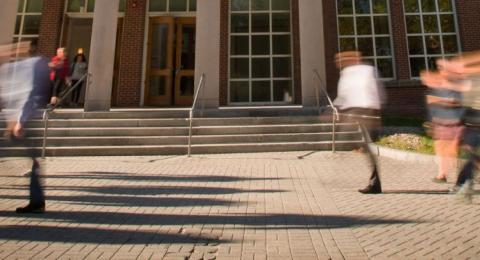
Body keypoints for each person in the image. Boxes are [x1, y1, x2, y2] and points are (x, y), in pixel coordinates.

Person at [0, 40, 50, 213]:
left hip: (24, 121)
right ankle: (37, 200)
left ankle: (37, 200)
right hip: (15, 121)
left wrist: (20, 120)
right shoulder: (9, 69)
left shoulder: (30, 66)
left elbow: (29, 93)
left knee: (32, 160)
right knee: (32, 161)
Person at [333, 51, 385, 194]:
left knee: (368, 146)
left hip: (366, 110)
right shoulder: (346, 73)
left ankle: (375, 183)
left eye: (342, 59)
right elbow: (343, 95)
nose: (339, 62)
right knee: (365, 146)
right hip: (354, 111)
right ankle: (375, 182)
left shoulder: (367, 71)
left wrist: (375, 112)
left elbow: (375, 92)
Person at [437, 52, 480, 203]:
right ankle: (462, 186)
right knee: (469, 157)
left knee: (470, 157)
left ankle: (462, 186)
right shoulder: (469, 81)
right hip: (472, 125)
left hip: (474, 125)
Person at [421, 64, 466, 184]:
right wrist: (431, 122)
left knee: (453, 153)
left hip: (454, 124)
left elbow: (459, 104)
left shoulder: (455, 87)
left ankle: (461, 179)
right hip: (440, 125)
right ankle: (442, 175)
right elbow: (432, 108)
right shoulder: (434, 89)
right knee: (441, 151)